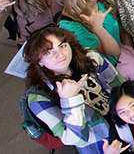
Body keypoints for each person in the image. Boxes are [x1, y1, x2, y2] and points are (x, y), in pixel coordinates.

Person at [23, 26, 124, 154]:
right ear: (39, 62)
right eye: (48, 53)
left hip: (126, 123)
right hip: (99, 145)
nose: (59, 55)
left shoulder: (89, 57)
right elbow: (76, 138)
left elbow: (121, 88)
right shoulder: (39, 98)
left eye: (62, 46)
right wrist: (71, 100)